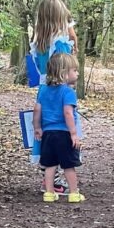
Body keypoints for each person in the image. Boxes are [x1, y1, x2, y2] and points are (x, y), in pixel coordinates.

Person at [33, 52, 84, 203]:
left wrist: (37, 127)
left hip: (48, 134)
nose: (77, 73)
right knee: (68, 165)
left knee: (50, 165)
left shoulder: (43, 90)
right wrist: (74, 133)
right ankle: (74, 193)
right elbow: (68, 113)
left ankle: (49, 193)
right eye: (74, 70)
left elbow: (37, 110)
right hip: (64, 133)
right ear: (64, 74)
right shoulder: (68, 92)